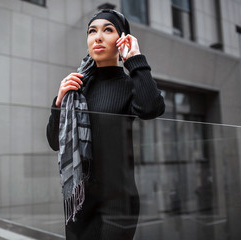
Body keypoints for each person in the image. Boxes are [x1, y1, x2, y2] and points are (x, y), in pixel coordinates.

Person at [46, 9, 165, 240]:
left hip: (118, 205)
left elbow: (152, 107)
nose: (97, 37)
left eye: (107, 30)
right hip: (78, 204)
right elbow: (53, 141)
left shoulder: (129, 85)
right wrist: (60, 101)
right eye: (92, 31)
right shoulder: (76, 88)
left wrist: (135, 59)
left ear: (121, 40)